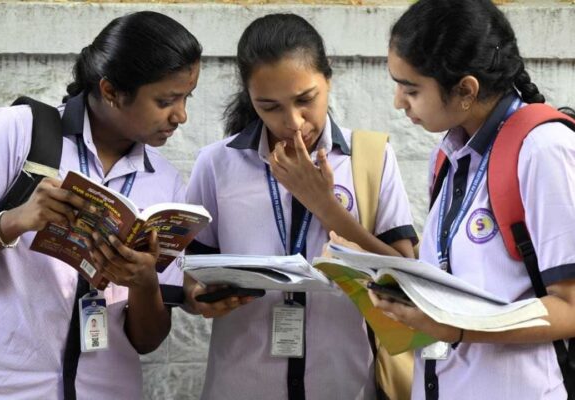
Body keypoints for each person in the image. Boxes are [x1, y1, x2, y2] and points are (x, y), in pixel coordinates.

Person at [184, 13, 418, 400]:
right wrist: (198, 298)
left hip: (345, 386)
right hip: (242, 386)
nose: (293, 122)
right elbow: (191, 276)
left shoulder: (371, 159)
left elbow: (406, 281)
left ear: (329, 78)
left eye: (306, 100)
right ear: (250, 98)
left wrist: (324, 205)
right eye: (269, 106)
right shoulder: (216, 164)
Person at [0, 11, 201, 399]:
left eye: (186, 97)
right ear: (110, 91)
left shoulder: (165, 181)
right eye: (165, 100)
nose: (180, 115)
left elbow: (147, 341)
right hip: (4, 387)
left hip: (109, 390)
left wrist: (144, 281)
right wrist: (15, 221)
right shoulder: (20, 131)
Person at [366, 0, 575, 399]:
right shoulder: (448, 155)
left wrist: (456, 327)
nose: (398, 101)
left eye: (411, 89)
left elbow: (570, 307)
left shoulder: (544, 149)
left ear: (465, 90)